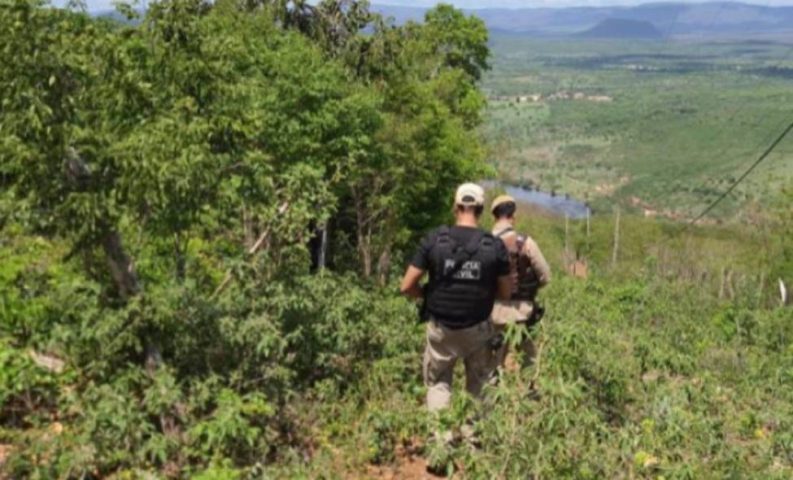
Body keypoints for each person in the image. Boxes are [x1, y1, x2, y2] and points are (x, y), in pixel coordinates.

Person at [400, 183, 512, 411]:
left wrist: (427, 296)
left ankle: (441, 442)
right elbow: (506, 292)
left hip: (441, 329)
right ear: (481, 210)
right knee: (479, 385)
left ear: (456, 207)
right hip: (478, 329)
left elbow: (406, 286)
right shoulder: (494, 246)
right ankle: (473, 440)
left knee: (438, 385)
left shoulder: (434, 240)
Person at [489, 195, 551, 373]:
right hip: (523, 312)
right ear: (513, 216)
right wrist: (529, 289)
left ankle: (494, 396)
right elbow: (546, 276)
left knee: (493, 364)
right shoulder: (526, 243)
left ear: (494, 216)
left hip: (495, 311)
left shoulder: (484, 242)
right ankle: (529, 395)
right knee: (528, 362)